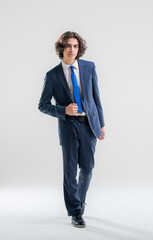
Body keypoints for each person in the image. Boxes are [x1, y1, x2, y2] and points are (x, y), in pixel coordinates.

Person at [38, 31, 105, 228]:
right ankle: (75, 212)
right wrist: (63, 110)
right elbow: (42, 105)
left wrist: (101, 124)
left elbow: (96, 98)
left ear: (79, 48)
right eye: (68, 46)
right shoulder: (52, 76)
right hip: (68, 126)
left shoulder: (89, 67)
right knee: (70, 171)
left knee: (87, 167)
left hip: (88, 124)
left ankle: (79, 201)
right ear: (61, 49)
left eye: (75, 46)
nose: (72, 50)